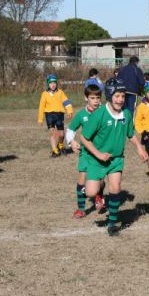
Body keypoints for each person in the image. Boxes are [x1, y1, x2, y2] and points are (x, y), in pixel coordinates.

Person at [79, 78, 148, 236]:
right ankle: (98, 189)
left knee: (116, 188)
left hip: (116, 159)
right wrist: (98, 154)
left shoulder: (126, 114)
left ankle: (112, 223)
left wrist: (139, 148)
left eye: (123, 96)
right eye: (117, 96)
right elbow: (84, 138)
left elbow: (131, 134)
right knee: (90, 192)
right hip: (96, 160)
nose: (120, 99)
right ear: (110, 96)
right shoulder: (99, 114)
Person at [65, 84, 106, 218]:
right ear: (86, 98)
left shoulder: (105, 112)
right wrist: (72, 142)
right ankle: (81, 209)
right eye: (92, 98)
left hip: (100, 153)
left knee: (99, 180)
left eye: (98, 98)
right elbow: (71, 130)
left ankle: (99, 195)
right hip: (86, 153)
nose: (95, 101)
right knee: (82, 179)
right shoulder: (82, 115)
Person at [37, 74, 73, 157]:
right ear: (48, 84)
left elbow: (66, 102)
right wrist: (40, 119)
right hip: (49, 115)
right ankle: (55, 150)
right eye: (50, 83)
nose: (53, 85)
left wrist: (69, 111)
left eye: (54, 83)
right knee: (52, 133)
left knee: (61, 134)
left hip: (59, 114)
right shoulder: (44, 94)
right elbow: (41, 106)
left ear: (56, 83)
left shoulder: (60, 93)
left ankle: (60, 145)